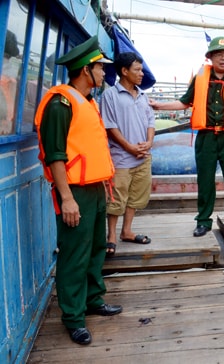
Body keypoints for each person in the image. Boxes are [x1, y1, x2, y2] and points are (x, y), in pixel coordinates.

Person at [34, 35, 123, 345]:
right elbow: (55, 155)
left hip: (95, 189)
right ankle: (73, 316)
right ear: (87, 70)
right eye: (101, 69)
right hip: (75, 191)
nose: (104, 74)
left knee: (96, 248)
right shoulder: (61, 104)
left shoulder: (88, 102)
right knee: (74, 253)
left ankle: (93, 300)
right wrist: (67, 198)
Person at [150, 36, 224, 237]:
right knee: (205, 180)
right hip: (205, 138)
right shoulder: (200, 78)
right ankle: (203, 221)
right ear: (210, 57)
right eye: (219, 54)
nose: (223, 58)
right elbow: (184, 103)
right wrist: (159, 105)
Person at [100, 52, 155, 257]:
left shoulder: (143, 95)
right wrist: (129, 147)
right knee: (116, 198)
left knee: (135, 197)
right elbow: (110, 127)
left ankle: (127, 231)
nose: (141, 74)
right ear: (124, 71)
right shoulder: (110, 95)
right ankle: (111, 237)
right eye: (137, 70)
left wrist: (148, 143)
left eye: (141, 69)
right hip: (121, 157)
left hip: (143, 156)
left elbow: (151, 122)